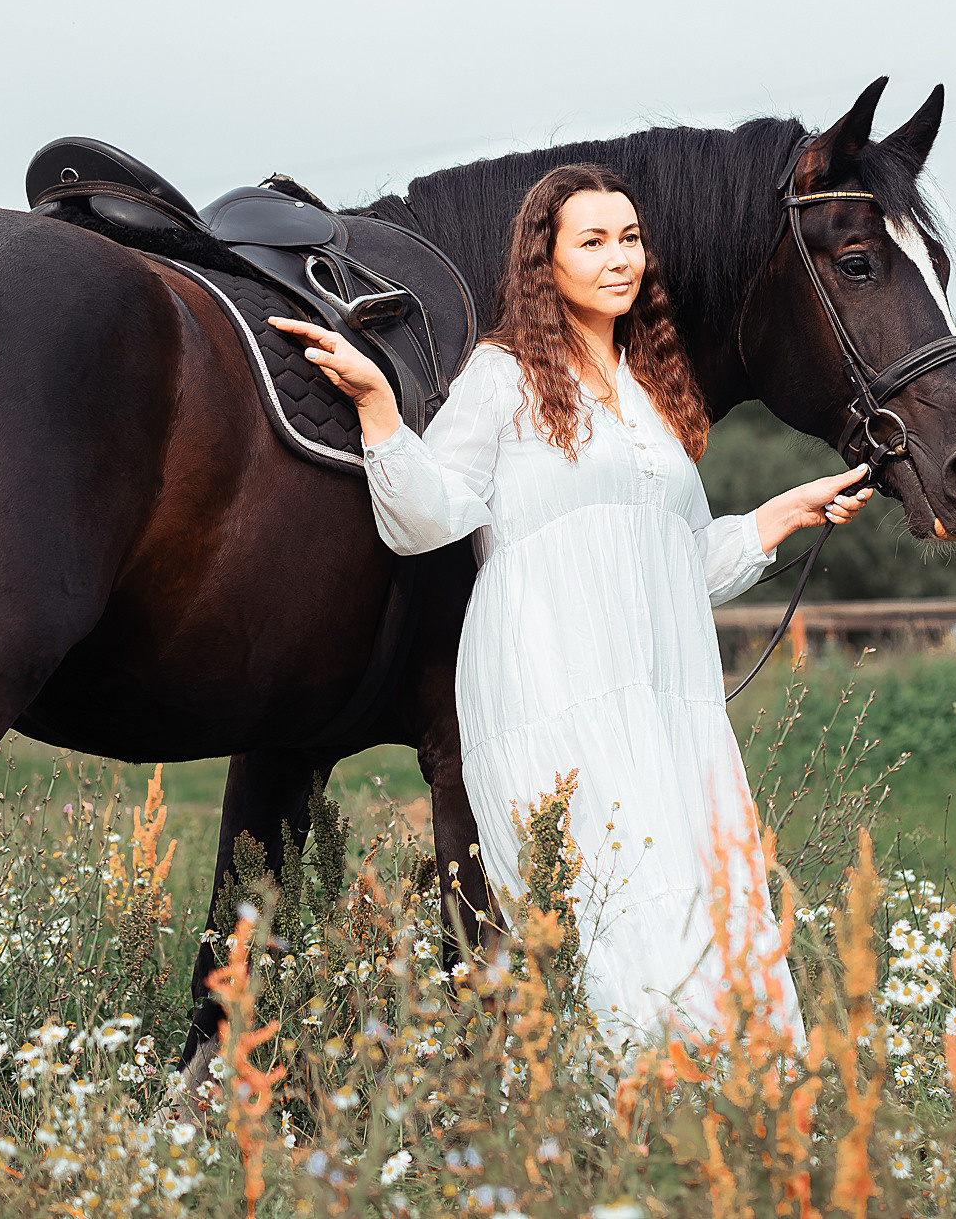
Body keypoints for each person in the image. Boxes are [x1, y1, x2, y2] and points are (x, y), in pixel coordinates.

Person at [272, 163, 873, 1052]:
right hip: (550, 686)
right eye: (592, 241)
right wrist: (379, 409)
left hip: (662, 704)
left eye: (630, 239)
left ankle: (726, 1104)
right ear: (543, 261)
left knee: (697, 894)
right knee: (606, 902)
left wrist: (785, 512)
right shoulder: (502, 376)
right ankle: (622, 1104)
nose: (619, 258)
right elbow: (427, 516)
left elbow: (683, 564)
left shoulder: (655, 394)